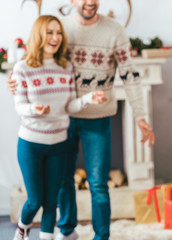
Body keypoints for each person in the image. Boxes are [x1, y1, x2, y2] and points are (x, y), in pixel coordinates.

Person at [8, 1, 155, 239]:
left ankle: (101, 236)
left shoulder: (115, 31)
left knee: (98, 184)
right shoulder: (59, 28)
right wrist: (15, 82)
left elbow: (130, 74)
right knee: (63, 181)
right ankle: (67, 232)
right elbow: (35, 59)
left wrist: (140, 116)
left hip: (97, 118)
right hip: (63, 119)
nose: (89, 2)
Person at [11, 15, 106, 240]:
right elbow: (20, 107)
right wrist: (35, 109)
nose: (55, 37)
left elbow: (69, 105)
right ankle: (22, 229)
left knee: (52, 201)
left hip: (59, 144)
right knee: (35, 200)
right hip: (31, 144)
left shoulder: (66, 67)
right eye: (50, 32)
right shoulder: (23, 68)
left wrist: (89, 99)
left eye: (59, 33)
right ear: (39, 35)